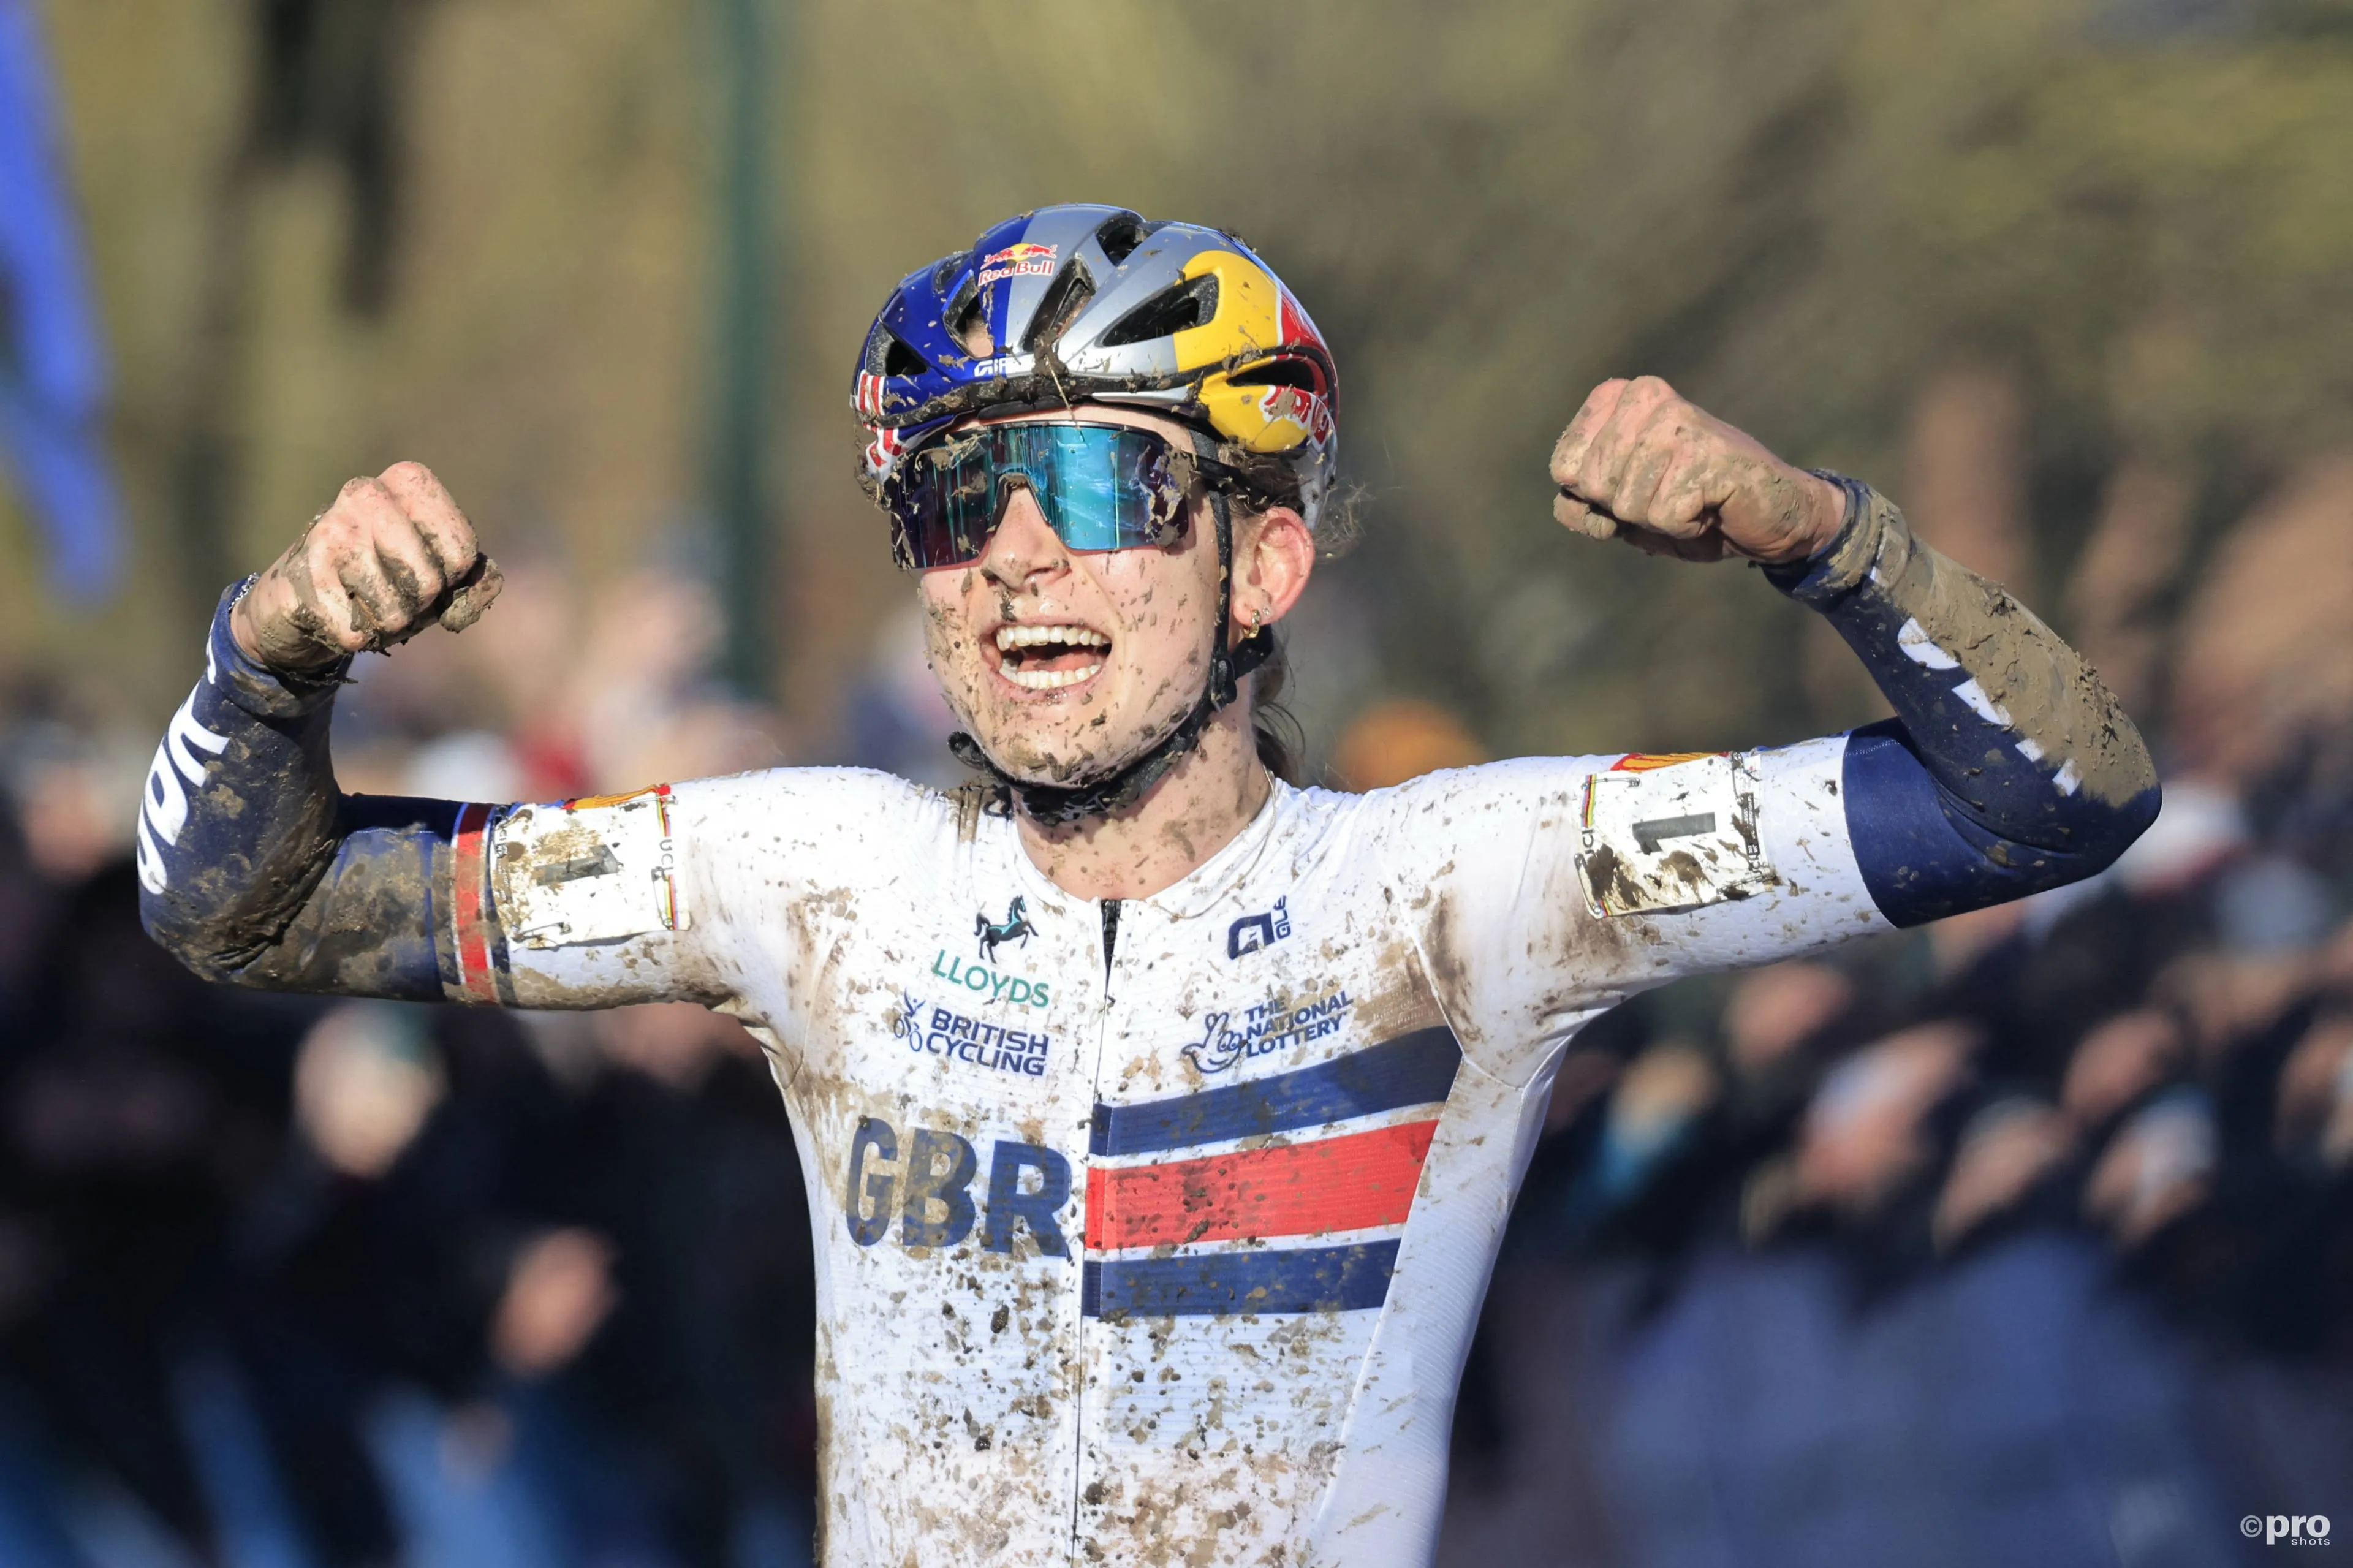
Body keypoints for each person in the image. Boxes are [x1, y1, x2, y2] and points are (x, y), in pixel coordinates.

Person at [136, 204, 2159, 1567]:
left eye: (1103, 481)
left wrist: (1821, 538)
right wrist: (274, 650)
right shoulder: (815, 879)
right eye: (959, 492)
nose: (1020, 551)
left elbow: (2054, 799)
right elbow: (243, 906)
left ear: (1262, 561)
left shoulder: (1459, 889)